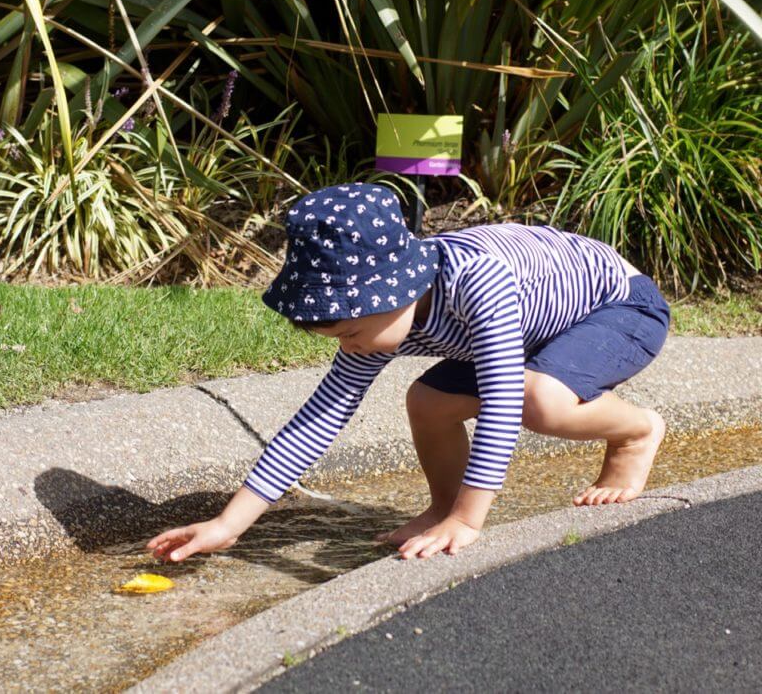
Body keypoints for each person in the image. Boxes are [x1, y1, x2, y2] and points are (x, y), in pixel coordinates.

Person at [146, 182, 670, 563]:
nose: (348, 347)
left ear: (396, 294)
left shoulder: (475, 282)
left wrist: (471, 521)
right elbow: (318, 421)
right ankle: (441, 505)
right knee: (428, 402)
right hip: (533, 326)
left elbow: (503, 399)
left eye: (351, 333)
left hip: (617, 307)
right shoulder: (377, 320)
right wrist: (228, 524)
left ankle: (636, 433)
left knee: (539, 399)